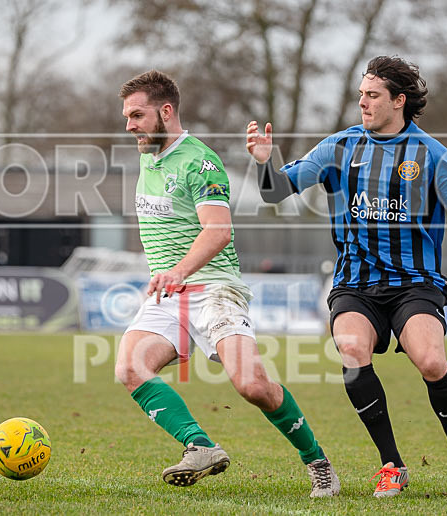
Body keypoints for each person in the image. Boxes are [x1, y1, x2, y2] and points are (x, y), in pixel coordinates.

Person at [246, 56, 447, 498]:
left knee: (432, 361)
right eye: (361, 94)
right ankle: (391, 464)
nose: (363, 102)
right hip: (355, 284)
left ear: (399, 101)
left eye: (373, 95)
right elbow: (274, 190)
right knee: (352, 348)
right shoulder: (339, 147)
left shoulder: (435, 157)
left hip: (415, 284)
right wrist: (265, 161)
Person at [114, 70, 340, 497]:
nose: (130, 126)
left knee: (252, 386)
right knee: (129, 367)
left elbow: (218, 231)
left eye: (137, 116)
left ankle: (318, 462)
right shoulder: (149, 155)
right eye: (127, 117)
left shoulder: (200, 161)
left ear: (166, 112)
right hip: (168, 294)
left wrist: (179, 270)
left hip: (215, 289)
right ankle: (200, 446)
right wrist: (172, 277)